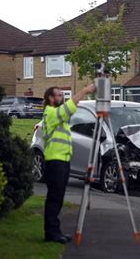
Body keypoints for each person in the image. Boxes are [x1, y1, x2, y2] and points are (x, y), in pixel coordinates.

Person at [42, 85, 95, 244]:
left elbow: (68, 109)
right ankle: (51, 233)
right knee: (54, 198)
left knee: (57, 198)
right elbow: (69, 107)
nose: (61, 98)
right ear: (51, 98)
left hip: (62, 160)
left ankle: (54, 231)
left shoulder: (59, 116)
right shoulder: (51, 113)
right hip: (55, 161)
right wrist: (84, 90)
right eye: (58, 95)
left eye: (62, 95)